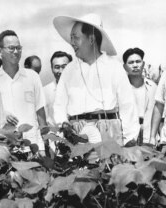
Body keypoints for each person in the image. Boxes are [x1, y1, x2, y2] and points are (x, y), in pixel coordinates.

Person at [53, 13, 139, 145]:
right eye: (71, 38)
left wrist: (128, 141)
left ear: (92, 39)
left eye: (76, 38)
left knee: (109, 166)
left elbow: (128, 107)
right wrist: (63, 125)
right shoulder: (69, 70)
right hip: (77, 134)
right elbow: (59, 105)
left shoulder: (114, 67)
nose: (72, 43)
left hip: (109, 133)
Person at [0, 30, 47, 153]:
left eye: (18, 48)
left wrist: (43, 147)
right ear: (0, 51)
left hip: (32, 147)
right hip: (3, 148)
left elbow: (40, 113)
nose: (16, 52)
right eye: (11, 48)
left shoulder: (33, 77)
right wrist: (2, 113)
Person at [123, 48, 157, 144]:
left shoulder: (152, 87)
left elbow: (159, 113)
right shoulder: (120, 88)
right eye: (131, 62)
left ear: (143, 64)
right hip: (128, 139)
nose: (135, 65)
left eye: (138, 61)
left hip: (148, 138)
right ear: (125, 67)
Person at [44, 51, 72, 125]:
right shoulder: (45, 91)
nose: (61, 71)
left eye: (64, 67)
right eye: (57, 67)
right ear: (52, 69)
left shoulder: (81, 90)